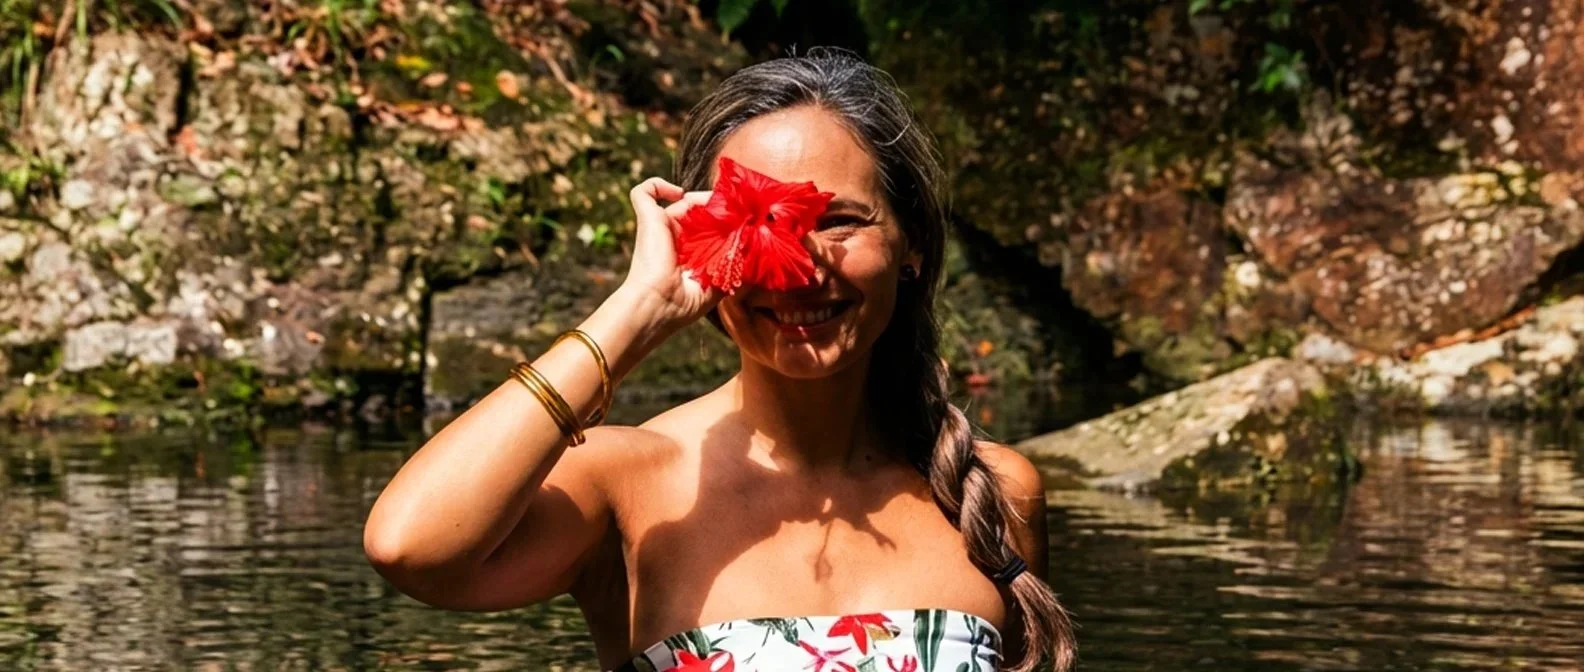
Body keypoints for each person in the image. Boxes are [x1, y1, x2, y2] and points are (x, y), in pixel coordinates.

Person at [363, 48, 1076, 672]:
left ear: (912, 244)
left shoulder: (993, 493)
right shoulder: (627, 487)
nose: (799, 268)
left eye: (837, 221)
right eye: (757, 225)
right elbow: (411, 549)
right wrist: (638, 311)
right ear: (699, 242)